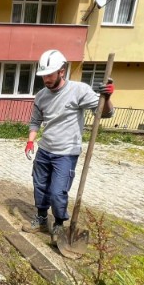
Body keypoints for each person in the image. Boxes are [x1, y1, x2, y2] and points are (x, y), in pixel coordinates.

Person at [22, 49, 114, 243]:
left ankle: (58, 225)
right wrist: (31, 141)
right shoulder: (41, 96)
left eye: (49, 75)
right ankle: (41, 219)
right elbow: (35, 121)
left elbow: (104, 113)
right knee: (40, 186)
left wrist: (107, 98)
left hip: (66, 153)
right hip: (44, 150)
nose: (46, 79)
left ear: (61, 71)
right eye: (43, 75)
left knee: (57, 191)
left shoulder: (79, 90)